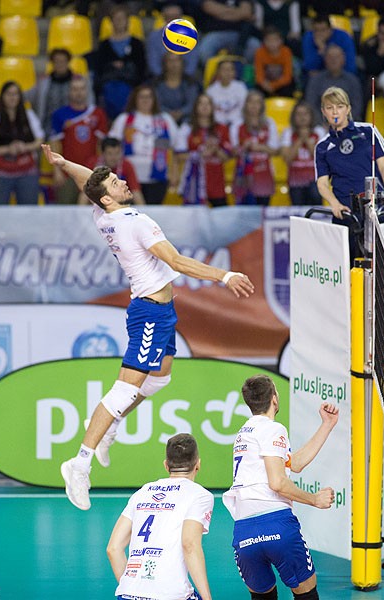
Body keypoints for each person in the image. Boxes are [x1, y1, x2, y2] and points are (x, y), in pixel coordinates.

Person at [42, 144, 255, 510]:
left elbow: (88, 181)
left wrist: (64, 163)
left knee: (159, 378)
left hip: (161, 311)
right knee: (124, 391)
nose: (123, 181)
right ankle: (79, 463)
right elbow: (177, 261)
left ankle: (108, 425)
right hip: (149, 314)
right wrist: (225, 275)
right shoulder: (134, 223)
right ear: (107, 198)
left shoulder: (103, 215)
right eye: (115, 182)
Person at [224, 374, 339, 600]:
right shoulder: (273, 429)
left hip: (244, 531)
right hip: (276, 523)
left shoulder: (244, 433)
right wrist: (314, 499)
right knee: (306, 595)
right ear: (274, 399)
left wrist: (327, 425)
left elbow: (294, 463)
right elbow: (277, 482)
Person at [106, 433, 214, 600]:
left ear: (166, 465)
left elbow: (113, 548)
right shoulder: (200, 495)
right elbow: (190, 545)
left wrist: (134, 588)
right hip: (171, 595)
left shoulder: (142, 492)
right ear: (198, 464)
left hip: (128, 593)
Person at [314, 86, 384, 230]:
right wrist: (335, 204)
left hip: (376, 207)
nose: (335, 112)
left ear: (348, 109)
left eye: (340, 106)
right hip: (345, 213)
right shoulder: (322, 146)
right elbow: (322, 184)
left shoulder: (369, 130)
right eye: (329, 107)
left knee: (380, 245)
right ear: (323, 111)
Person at [110, 84, 179, 205]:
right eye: (141, 97)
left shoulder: (165, 119)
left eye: (149, 97)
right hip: (128, 177)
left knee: (153, 212)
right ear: (135, 99)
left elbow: (176, 147)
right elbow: (111, 146)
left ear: (154, 99)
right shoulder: (124, 119)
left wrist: (174, 173)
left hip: (158, 177)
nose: (145, 100)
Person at [48, 76, 110, 204]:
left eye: (82, 89)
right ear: (69, 91)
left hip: (91, 172)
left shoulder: (98, 113)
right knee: (66, 209)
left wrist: (101, 172)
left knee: (93, 211)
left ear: (87, 91)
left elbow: (101, 145)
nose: (78, 92)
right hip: (68, 172)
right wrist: (57, 171)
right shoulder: (59, 114)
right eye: (75, 89)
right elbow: (54, 144)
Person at [0, 81, 45, 205]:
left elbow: (40, 140)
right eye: (9, 94)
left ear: (20, 97)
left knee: (29, 211)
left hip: (27, 172)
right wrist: (8, 149)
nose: (12, 97)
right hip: (1, 173)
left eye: (15, 94)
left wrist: (25, 147)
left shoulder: (29, 115)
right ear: (2, 97)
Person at [172, 93, 233, 206]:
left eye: (208, 103)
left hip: (216, 182)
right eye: (201, 103)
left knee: (220, 214)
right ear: (196, 107)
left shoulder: (222, 128)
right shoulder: (187, 128)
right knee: (193, 215)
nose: (204, 106)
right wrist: (200, 154)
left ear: (213, 107)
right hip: (194, 181)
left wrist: (215, 149)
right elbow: (179, 155)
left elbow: (226, 157)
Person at [90, 5, 148, 120]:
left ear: (127, 21)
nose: (119, 22)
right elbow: (99, 68)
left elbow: (141, 68)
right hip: (109, 85)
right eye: (116, 19)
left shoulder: (136, 44)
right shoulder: (104, 45)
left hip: (131, 84)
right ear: (111, 21)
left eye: (122, 18)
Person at [231, 90, 281, 206]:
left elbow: (275, 150)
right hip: (243, 173)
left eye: (257, 102)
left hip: (264, 172)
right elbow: (233, 151)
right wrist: (244, 147)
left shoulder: (269, 123)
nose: (254, 105)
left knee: (263, 208)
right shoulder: (237, 124)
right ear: (245, 104)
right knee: (244, 210)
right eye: (251, 102)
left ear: (262, 106)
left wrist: (260, 147)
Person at [32, 48, 89, 137]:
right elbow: (31, 96)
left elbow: (89, 102)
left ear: (68, 62)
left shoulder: (79, 80)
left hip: (74, 126)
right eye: (57, 61)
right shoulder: (43, 82)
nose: (60, 64)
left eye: (63, 61)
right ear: (52, 63)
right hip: (49, 129)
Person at [304, 44, 364, 122]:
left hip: (348, 123)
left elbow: (357, 106)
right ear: (325, 60)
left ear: (343, 60)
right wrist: (323, 122)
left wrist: (342, 122)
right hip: (321, 124)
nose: (333, 60)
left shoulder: (352, 80)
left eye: (337, 57)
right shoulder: (316, 80)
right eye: (330, 57)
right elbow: (311, 105)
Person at [281, 102, 325, 206]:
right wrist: (300, 139)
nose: (302, 117)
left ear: (311, 116)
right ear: (293, 117)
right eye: (299, 114)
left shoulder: (319, 132)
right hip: (295, 179)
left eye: (305, 114)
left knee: (316, 201)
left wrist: (308, 141)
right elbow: (287, 159)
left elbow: (321, 158)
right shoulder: (288, 132)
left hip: (315, 179)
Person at [195, 0, 261, 65]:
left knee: (255, 46)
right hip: (215, 33)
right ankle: (216, 71)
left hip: (239, 34)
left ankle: (238, 70)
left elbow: (246, 13)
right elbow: (209, 7)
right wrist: (237, 12)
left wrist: (223, 13)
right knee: (205, 49)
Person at [147, 4, 200, 78]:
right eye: (169, 17)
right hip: (160, 79)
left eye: (176, 17)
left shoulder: (191, 36)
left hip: (186, 79)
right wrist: (165, 80)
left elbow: (192, 64)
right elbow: (154, 65)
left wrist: (182, 80)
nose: (173, 21)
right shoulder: (154, 37)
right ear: (164, 18)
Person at [154, 52, 202, 127]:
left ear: (182, 63)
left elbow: (192, 103)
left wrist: (181, 113)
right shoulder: (156, 83)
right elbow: (156, 103)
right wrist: (168, 113)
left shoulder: (191, 83)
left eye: (177, 60)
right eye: (170, 60)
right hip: (162, 120)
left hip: (187, 120)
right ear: (164, 64)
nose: (174, 64)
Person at [98, 137, 144, 206]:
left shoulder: (127, 166)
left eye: (117, 153)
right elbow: (85, 192)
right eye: (110, 153)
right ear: (103, 154)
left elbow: (135, 192)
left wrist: (143, 210)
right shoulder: (94, 165)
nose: (114, 157)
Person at [254, 26, 296, 98]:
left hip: (281, 84)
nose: (272, 43)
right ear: (264, 41)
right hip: (265, 85)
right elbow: (259, 75)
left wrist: (273, 85)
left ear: (281, 41)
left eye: (275, 40)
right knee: (258, 88)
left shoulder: (286, 52)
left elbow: (287, 76)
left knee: (290, 85)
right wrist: (265, 84)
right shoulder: (259, 52)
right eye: (269, 40)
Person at [206, 59, 248, 126]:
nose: (228, 72)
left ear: (234, 72)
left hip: (238, 124)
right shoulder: (210, 91)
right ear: (218, 72)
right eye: (224, 69)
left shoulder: (241, 87)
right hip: (217, 125)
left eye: (231, 69)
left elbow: (246, 108)